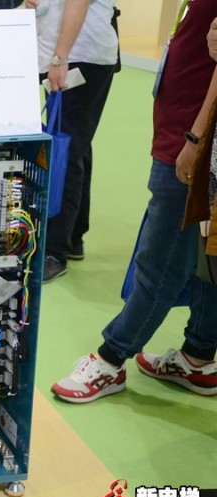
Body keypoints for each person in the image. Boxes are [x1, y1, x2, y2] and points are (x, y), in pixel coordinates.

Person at [51, 0, 217, 403]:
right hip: (185, 132)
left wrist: (196, 139)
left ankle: (111, 359)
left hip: (192, 139)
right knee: (205, 253)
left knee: (161, 257)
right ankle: (197, 356)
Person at [26, 0, 118, 282]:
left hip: (77, 57)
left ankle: (55, 250)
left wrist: (59, 59)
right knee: (74, 145)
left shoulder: (68, 57)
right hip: (68, 55)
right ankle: (73, 237)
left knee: (65, 154)